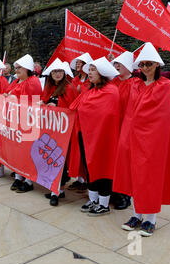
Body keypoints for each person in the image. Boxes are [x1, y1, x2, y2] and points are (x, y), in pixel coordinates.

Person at [114, 42, 170, 237]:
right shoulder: (135, 84)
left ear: (157, 65)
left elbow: (165, 115)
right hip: (132, 138)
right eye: (142, 64)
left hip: (153, 141)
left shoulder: (165, 85)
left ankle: (150, 219)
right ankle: (137, 215)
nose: (145, 68)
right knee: (134, 176)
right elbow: (128, 110)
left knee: (149, 178)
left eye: (149, 64)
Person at [69, 57, 120, 216]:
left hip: (103, 138)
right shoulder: (90, 91)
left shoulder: (111, 91)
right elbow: (77, 108)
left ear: (102, 73)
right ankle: (93, 199)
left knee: (103, 168)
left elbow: (107, 114)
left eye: (92, 70)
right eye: (89, 70)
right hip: (86, 136)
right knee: (90, 167)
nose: (89, 73)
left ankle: (104, 203)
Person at [40, 58, 78, 206]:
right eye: (55, 71)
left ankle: (57, 191)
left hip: (64, 132)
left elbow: (72, 109)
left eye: (60, 71)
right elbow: (45, 100)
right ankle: (56, 189)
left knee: (60, 161)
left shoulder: (69, 88)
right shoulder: (49, 87)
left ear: (64, 73)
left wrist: (54, 107)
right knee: (51, 159)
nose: (57, 74)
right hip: (51, 131)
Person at [6, 54, 43, 192]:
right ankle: (18, 176)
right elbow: (11, 93)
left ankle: (28, 180)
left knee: (28, 151)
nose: (16, 71)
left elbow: (31, 103)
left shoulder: (33, 82)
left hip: (28, 122)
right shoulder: (20, 82)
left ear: (26, 68)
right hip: (18, 120)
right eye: (15, 68)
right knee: (19, 150)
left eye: (18, 68)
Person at [67, 52, 93, 192]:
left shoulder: (90, 81)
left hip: (84, 118)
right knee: (76, 148)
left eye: (80, 63)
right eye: (77, 63)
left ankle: (87, 179)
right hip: (75, 116)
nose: (77, 65)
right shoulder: (75, 79)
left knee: (84, 148)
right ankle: (80, 178)